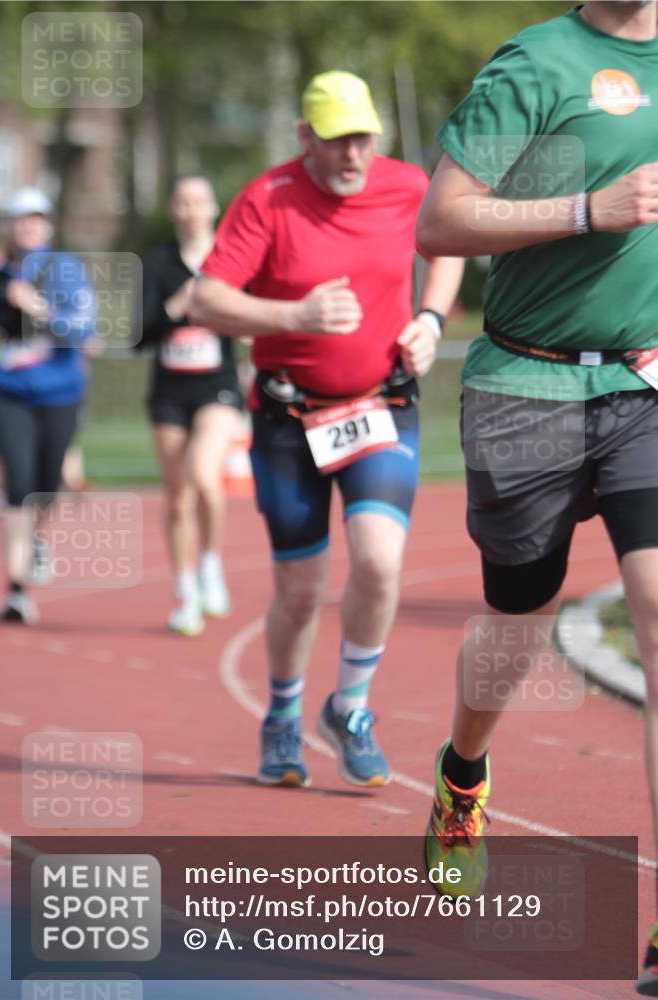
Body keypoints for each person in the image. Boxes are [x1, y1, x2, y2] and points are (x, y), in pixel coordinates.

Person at [415, 2, 658, 993]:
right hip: (527, 381)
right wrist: (585, 208)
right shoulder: (539, 63)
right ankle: (462, 772)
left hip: (641, 384)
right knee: (520, 616)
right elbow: (443, 219)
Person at [190, 70, 464, 788]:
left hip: (380, 405)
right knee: (302, 589)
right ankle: (281, 714)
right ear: (304, 136)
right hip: (287, 416)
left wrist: (430, 319)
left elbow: (449, 242)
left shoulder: (406, 185)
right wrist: (291, 317)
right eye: (336, 139)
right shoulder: (268, 198)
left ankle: (349, 706)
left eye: (362, 137)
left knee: (378, 559)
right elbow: (207, 299)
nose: (352, 154)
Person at [139, 175, 243, 636]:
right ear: (172, 210)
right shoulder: (157, 263)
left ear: (213, 207)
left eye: (199, 201)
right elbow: (138, 334)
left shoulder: (231, 256)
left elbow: (248, 314)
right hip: (169, 391)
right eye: (182, 202)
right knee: (177, 496)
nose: (191, 210)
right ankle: (185, 592)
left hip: (217, 386)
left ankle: (211, 564)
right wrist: (176, 307)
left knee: (205, 475)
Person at [0, 186, 96, 623]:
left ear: (47, 225)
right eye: (20, 219)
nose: (27, 227)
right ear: (9, 227)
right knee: (17, 483)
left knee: (46, 486)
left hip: (60, 393)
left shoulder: (65, 270)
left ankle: (35, 539)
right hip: (12, 393)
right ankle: (16, 589)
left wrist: (37, 307)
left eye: (35, 219)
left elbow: (85, 331)